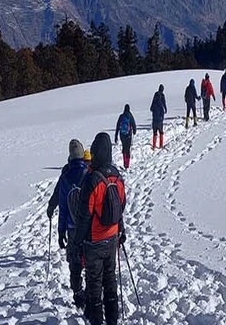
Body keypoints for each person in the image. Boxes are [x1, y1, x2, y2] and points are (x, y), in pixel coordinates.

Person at [75, 132, 127, 325]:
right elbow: (121, 206)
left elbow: (84, 216)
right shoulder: (117, 177)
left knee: (94, 285)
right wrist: (121, 230)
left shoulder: (91, 180)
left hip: (94, 241)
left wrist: (78, 242)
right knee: (110, 280)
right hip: (112, 237)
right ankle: (113, 320)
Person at [46, 139, 89, 310]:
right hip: (88, 229)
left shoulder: (65, 177)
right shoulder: (89, 174)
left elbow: (62, 208)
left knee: (75, 262)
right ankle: (92, 291)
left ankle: (78, 293)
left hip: (71, 228)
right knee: (90, 260)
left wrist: (60, 232)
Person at [114, 104, 136, 170]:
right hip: (128, 134)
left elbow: (117, 126)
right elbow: (133, 124)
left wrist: (116, 136)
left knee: (124, 148)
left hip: (122, 134)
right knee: (128, 149)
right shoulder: (130, 116)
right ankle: (127, 164)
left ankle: (124, 163)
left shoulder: (121, 116)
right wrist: (134, 131)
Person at [150, 84, 167, 149]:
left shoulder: (155, 96)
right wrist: (165, 109)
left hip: (154, 119)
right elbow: (164, 103)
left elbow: (151, 108)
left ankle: (154, 145)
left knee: (154, 133)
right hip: (159, 120)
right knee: (161, 132)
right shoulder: (162, 96)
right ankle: (161, 145)